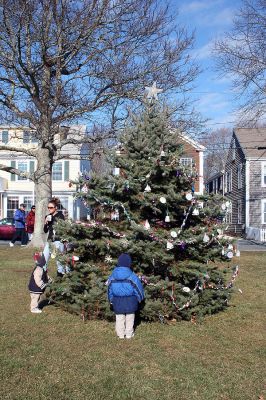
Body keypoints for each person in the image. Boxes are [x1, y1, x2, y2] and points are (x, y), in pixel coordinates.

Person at [107, 253, 145, 339]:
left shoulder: (113, 276)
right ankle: (129, 334)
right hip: (131, 300)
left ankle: (120, 334)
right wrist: (140, 298)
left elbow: (109, 289)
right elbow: (138, 288)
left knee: (119, 317)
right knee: (130, 317)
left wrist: (111, 299)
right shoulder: (132, 276)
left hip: (117, 300)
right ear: (129, 264)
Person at [43, 197, 68, 277]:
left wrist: (52, 221)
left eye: (51, 207)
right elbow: (45, 231)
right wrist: (46, 223)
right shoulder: (48, 216)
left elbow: (61, 228)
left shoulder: (60, 215)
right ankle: (43, 275)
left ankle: (60, 276)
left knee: (59, 260)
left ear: (56, 208)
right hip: (50, 240)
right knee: (44, 258)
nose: (49, 209)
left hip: (57, 240)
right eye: (48, 207)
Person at [28, 243, 52, 313]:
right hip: (35, 287)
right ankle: (33, 308)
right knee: (35, 298)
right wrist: (41, 285)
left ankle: (35, 306)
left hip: (36, 287)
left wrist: (49, 280)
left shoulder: (42, 269)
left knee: (36, 297)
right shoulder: (38, 269)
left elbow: (45, 276)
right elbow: (37, 278)